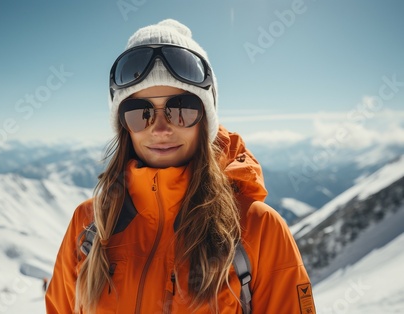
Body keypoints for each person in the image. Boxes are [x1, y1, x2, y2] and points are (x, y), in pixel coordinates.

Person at [46, 19, 316, 313]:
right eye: (140, 113)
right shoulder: (89, 225)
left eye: (181, 110)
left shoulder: (258, 229)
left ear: (206, 120)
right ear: (124, 126)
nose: (160, 129)